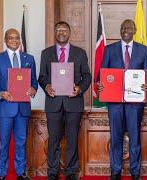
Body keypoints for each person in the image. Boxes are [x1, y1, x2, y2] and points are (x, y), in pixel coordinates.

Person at [97, 19, 147, 180]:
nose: (126, 30)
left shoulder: (143, 50)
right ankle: (115, 172)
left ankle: (136, 173)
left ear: (135, 30)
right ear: (120, 31)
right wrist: (100, 84)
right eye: (123, 27)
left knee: (135, 138)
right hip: (114, 104)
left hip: (135, 104)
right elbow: (101, 74)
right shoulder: (109, 49)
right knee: (116, 138)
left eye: (129, 27)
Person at [38, 21, 92, 180]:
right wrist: (46, 86)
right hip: (53, 103)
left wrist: (79, 88)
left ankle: (71, 172)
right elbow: (41, 77)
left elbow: (87, 77)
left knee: (72, 139)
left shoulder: (80, 53)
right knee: (53, 140)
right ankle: (53, 172)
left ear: (69, 33)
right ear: (55, 33)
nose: (61, 32)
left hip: (73, 104)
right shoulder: (46, 53)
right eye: (58, 30)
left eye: (64, 30)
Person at [0, 28, 38, 180]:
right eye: (10, 38)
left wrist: (33, 89)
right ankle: (1, 173)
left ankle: (20, 173)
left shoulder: (28, 59)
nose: (14, 40)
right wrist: (0, 93)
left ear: (20, 40)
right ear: (5, 40)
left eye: (16, 37)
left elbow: (34, 82)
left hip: (23, 109)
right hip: (5, 108)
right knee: (3, 143)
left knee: (21, 142)